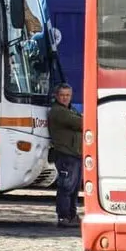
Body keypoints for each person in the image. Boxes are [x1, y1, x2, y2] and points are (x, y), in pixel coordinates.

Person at [48, 82, 82, 227]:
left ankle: (72, 214)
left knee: (74, 189)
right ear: (56, 96)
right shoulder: (58, 111)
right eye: (62, 95)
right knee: (66, 187)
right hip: (65, 154)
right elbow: (82, 122)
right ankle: (64, 216)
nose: (65, 98)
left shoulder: (69, 109)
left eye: (67, 95)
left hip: (75, 154)